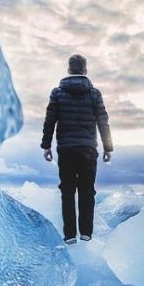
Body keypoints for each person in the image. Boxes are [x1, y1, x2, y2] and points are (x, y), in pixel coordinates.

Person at [40, 53, 114, 244]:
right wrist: (108, 148)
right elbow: (103, 121)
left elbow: (50, 121)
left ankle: (70, 235)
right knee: (87, 190)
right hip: (88, 149)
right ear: (85, 71)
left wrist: (46, 145)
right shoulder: (94, 93)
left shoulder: (57, 93)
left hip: (66, 149)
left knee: (67, 191)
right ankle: (86, 233)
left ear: (68, 70)